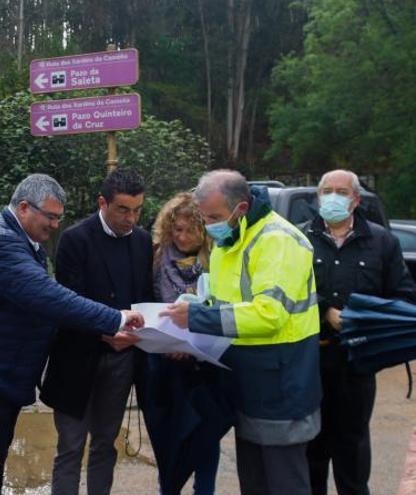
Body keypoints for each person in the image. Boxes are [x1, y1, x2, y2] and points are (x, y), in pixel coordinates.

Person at [0, 173, 145, 495]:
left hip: (0, 374)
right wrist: (115, 319)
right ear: (25, 207)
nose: (55, 225)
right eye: (51, 217)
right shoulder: (1, 242)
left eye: (59, 218)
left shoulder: (22, 240)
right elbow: (50, 298)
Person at [161, 169, 321, 495]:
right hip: (246, 385)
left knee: (285, 484)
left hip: (282, 385)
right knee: (254, 483)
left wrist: (199, 316)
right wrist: (198, 303)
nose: (208, 225)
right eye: (203, 216)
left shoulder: (277, 240)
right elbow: (227, 302)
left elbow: (269, 314)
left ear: (241, 208)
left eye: (214, 216)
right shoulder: (228, 241)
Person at [300, 169, 416, 495]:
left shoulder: (381, 242)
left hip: (356, 365)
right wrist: (325, 310)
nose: (333, 197)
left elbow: (403, 298)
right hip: (310, 361)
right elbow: (287, 291)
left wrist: (364, 317)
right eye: (327, 190)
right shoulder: (298, 238)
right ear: (318, 196)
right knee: (312, 456)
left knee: (352, 457)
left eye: (341, 191)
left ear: (356, 199)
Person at [39, 168, 154, 495]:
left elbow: (145, 296)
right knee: (71, 446)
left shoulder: (143, 242)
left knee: (106, 443)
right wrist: (107, 331)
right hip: (77, 358)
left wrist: (135, 335)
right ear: (102, 203)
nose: (131, 218)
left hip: (121, 361)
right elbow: (68, 300)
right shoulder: (75, 239)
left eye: (137, 210)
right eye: (123, 209)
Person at [146, 192, 227, 495]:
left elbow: (224, 308)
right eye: (176, 229)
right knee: (167, 434)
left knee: (206, 433)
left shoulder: (218, 257)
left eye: (190, 229)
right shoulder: (156, 256)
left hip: (205, 361)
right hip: (164, 363)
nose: (181, 236)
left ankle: (204, 490)